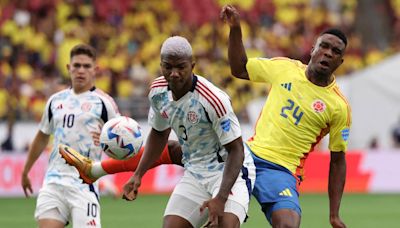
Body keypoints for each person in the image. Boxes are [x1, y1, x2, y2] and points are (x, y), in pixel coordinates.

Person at [220, 5, 351, 228]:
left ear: (340, 61)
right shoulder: (285, 68)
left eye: (336, 51)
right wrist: (235, 29)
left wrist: (334, 214)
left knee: (289, 224)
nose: (328, 53)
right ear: (312, 49)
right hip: (248, 156)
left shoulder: (339, 107)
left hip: (282, 171)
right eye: (324, 46)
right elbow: (239, 68)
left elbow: (338, 161)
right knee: (223, 222)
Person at [21, 44, 121, 228]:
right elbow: (43, 136)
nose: (81, 70)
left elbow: (122, 143)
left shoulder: (104, 103)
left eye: (86, 66)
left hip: (84, 185)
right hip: (54, 182)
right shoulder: (55, 101)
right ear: (68, 68)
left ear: (95, 70)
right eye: (76, 65)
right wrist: (26, 170)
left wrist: (108, 143)